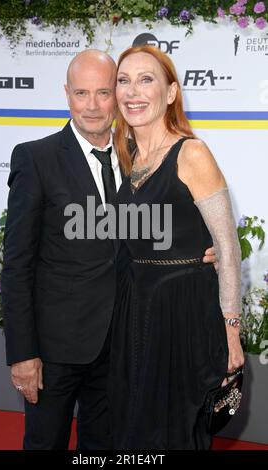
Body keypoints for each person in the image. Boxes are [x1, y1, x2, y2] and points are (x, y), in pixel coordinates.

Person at [1, 49, 217, 450]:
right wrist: (22, 353)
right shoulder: (36, 158)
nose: (93, 105)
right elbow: (16, 265)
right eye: (82, 93)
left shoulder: (140, 156)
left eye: (104, 92)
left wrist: (207, 252)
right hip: (55, 351)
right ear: (67, 95)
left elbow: (167, 227)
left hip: (123, 344)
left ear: (118, 97)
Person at [108, 45, 245, 450]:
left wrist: (231, 333)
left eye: (146, 79)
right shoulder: (127, 157)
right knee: (132, 432)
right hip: (135, 312)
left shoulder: (192, 153)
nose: (133, 91)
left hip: (184, 314)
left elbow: (227, 247)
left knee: (173, 434)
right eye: (124, 80)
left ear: (170, 93)